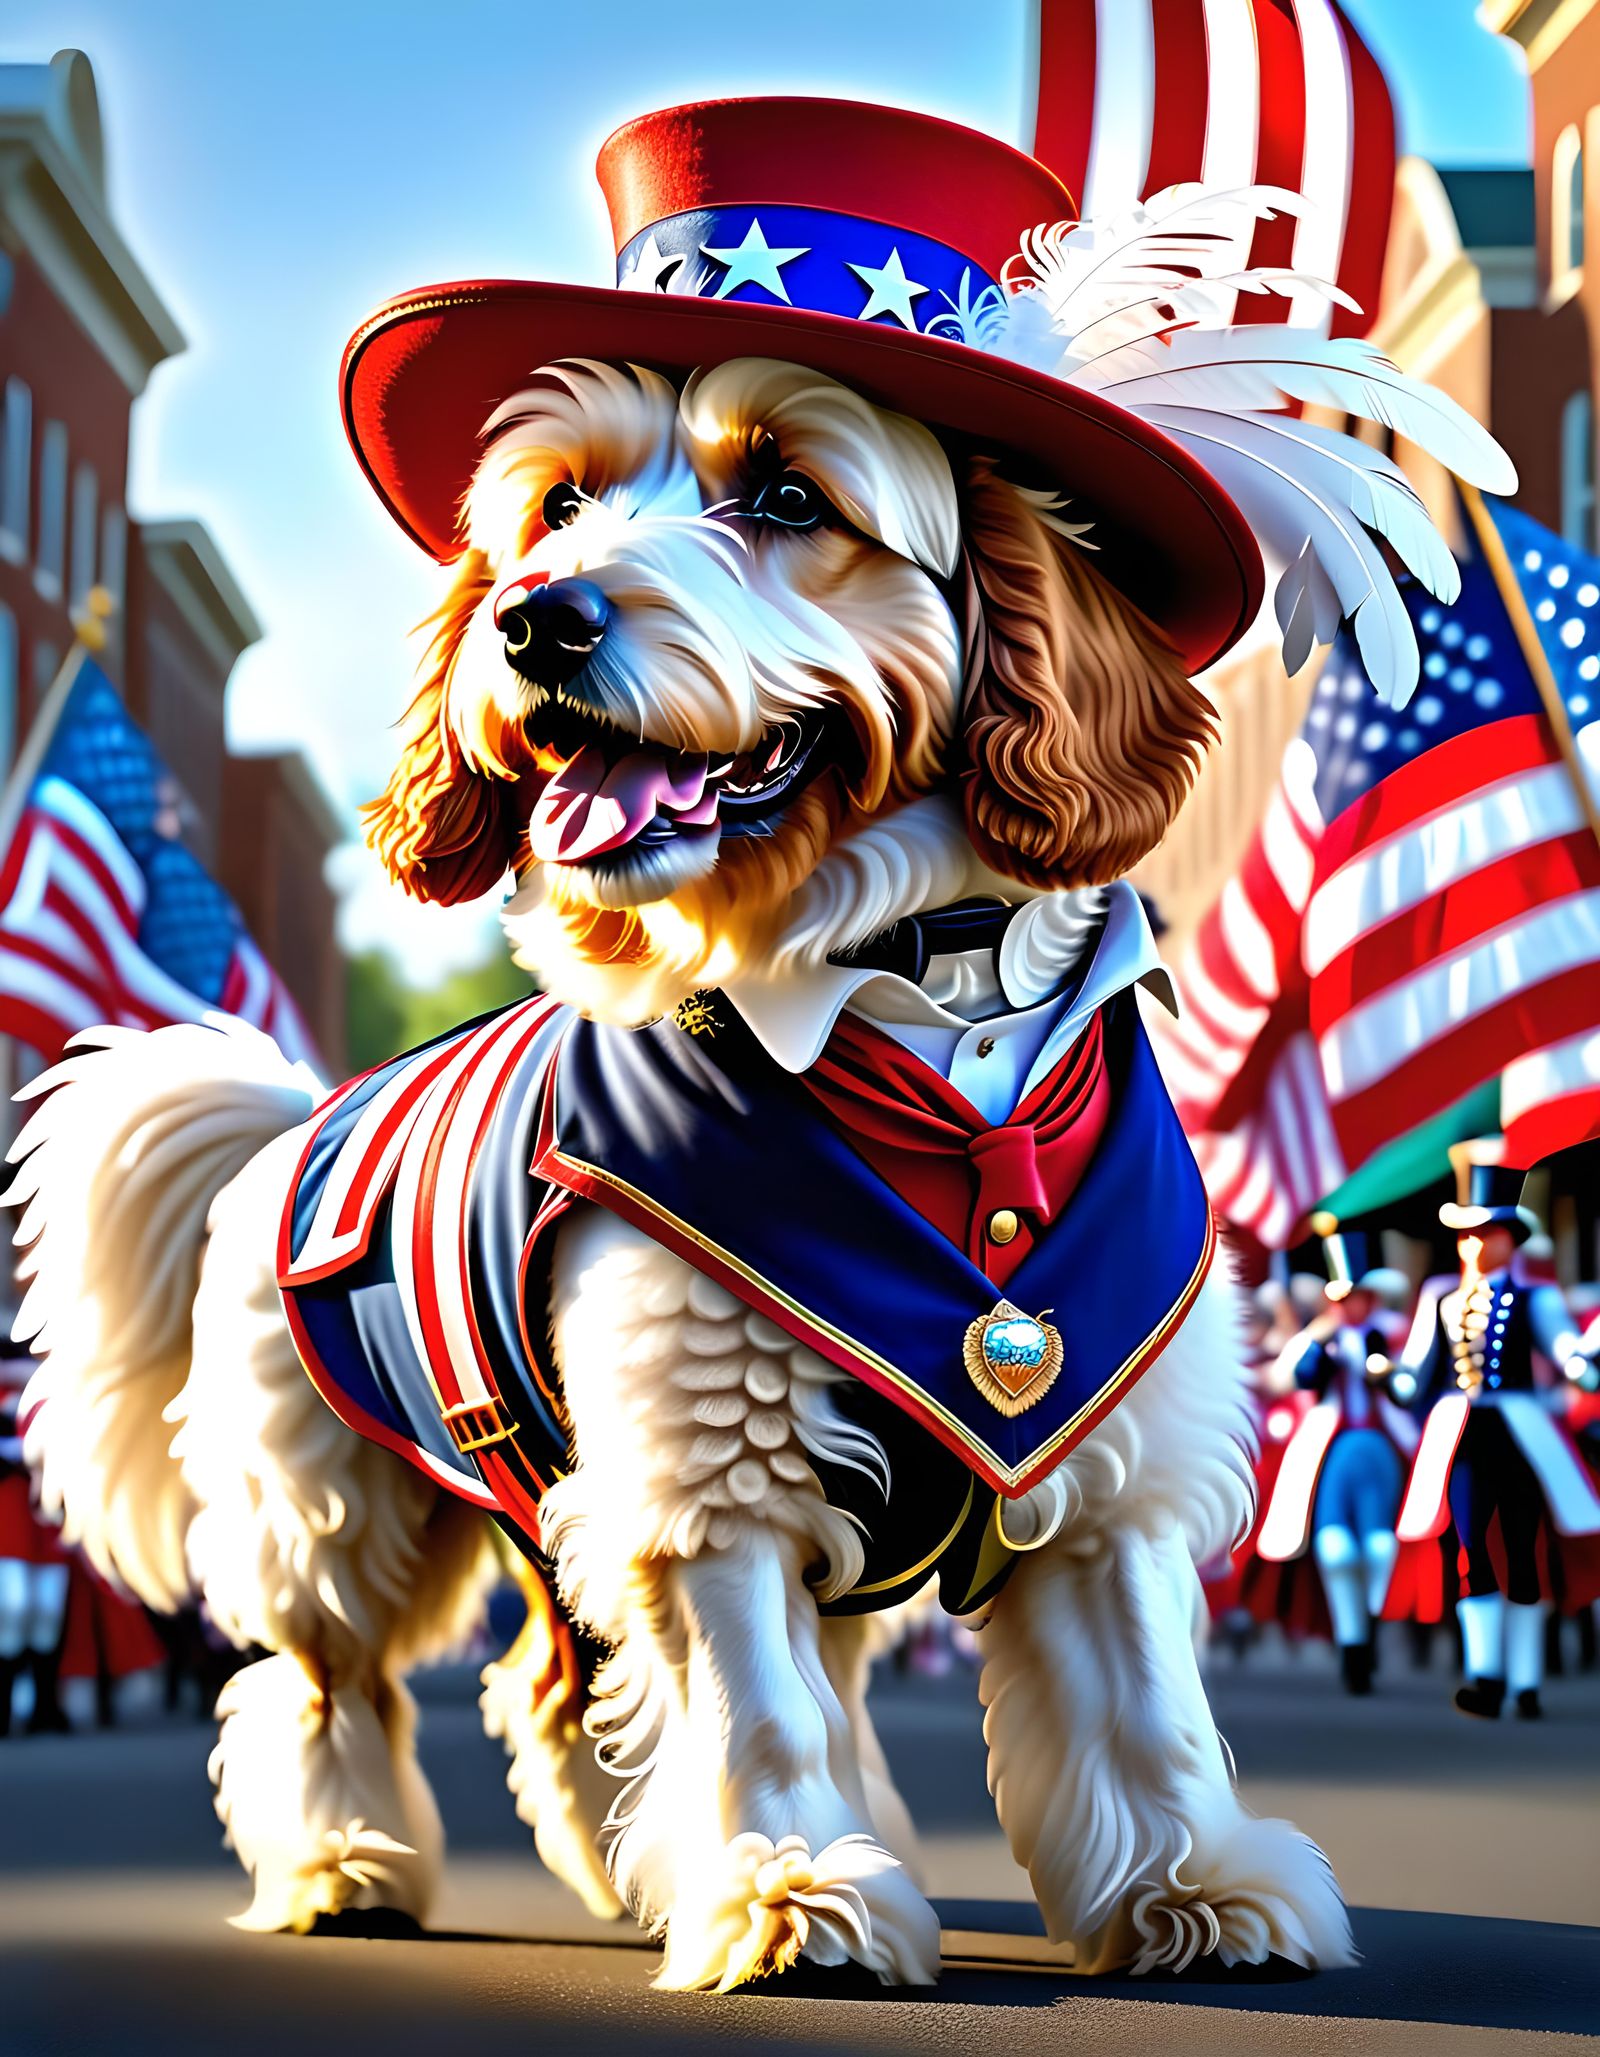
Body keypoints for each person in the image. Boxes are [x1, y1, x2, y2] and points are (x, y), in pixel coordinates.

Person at [1396, 1141, 1600, 1720]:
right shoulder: (1440, 1296)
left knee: (1522, 1548)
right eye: (1467, 1232)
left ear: (1511, 1238)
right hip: (1460, 1434)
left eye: (1487, 1231)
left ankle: (1527, 1680)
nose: (1475, 1243)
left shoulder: (1536, 1296)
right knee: (1468, 1549)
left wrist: (1585, 1357)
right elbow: (1417, 1369)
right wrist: (1392, 1378)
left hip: (1520, 1430)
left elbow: (1566, 1356)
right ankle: (1485, 1675)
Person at [1254, 1218, 1416, 1693]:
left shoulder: (1394, 1334)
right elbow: (1297, 1378)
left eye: (1358, 1298)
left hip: (1382, 1445)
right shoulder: (1321, 1341)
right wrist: (1318, 1345)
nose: (1351, 1308)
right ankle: (1353, 1645)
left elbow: (1412, 1386)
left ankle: (1375, 1616)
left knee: (1381, 1544)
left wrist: (1385, 1372)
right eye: (1342, 1299)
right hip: (1332, 1450)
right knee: (1336, 1550)